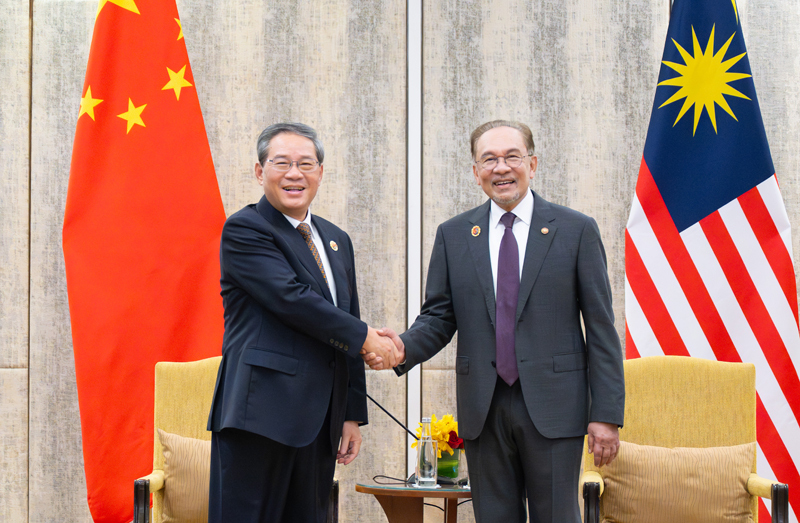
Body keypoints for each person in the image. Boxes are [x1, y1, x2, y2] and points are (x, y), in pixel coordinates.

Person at [377, 120, 625, 522]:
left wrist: (606, 414)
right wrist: (402, 347)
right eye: (488, 159)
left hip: (555, 407)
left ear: (533, 163)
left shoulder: (576, 230)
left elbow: (600, 327)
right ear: (476, 173)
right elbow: (439, 317)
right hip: (484, 408)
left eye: (512, 156)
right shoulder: (454, 235)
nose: (501, 167)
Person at [207, 122, 397, 523]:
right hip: (260, 415)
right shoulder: (246, 229)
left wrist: (350, 413)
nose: (295, 174)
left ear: (321, 172)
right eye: (282, 163)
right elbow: (292, 299)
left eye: (306, 164)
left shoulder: (336, 239)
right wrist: (367, 338)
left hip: (319, 422)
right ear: (260, 172)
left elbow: (346, 321)